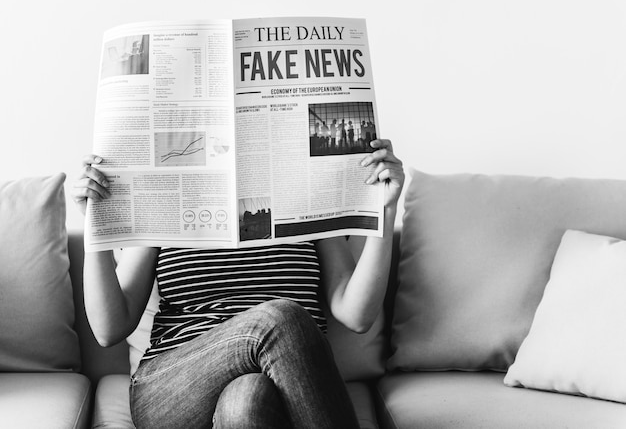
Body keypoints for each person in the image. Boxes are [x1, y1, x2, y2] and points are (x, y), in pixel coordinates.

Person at [71, 138, 404, 429]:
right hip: (171, 387)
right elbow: (108, 328)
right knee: (280, 319)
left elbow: (357, 314)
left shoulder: (306, 197)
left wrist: (386, 211)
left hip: (276, 388)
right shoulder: (168, 196)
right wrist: (95, 227)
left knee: (246, 400)